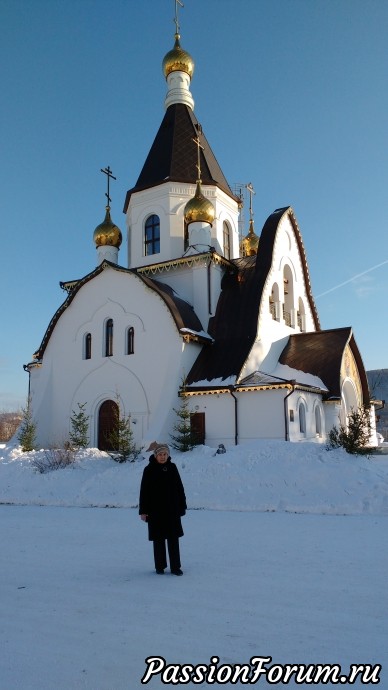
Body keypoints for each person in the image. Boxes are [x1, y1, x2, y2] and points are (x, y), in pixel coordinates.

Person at [139, 444, 187, 575]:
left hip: (172, 510)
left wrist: (182, 506)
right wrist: (143, 511)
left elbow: (179, 488)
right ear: (155, 456)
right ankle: (160, 566)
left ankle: (175, 567)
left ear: (168, 455)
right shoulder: (149, 470)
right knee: (158, 539)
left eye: (165, 454)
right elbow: (144, 492)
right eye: (160, 454)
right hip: (155, 511)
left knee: (173, 539)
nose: (162, 457)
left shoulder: (172, 468)